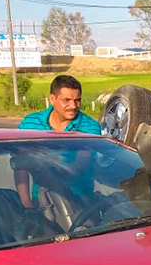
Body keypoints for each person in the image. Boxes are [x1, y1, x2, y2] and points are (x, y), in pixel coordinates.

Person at [15, 75, 101, 209]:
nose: (73, 106)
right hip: (42, 201)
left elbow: (81, 165)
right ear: (52, 99)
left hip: (81, 202)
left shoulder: (90, 127)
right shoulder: (29, 124)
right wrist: (26, 203)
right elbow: (20, 165)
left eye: (77, 100)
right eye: (66, 100)